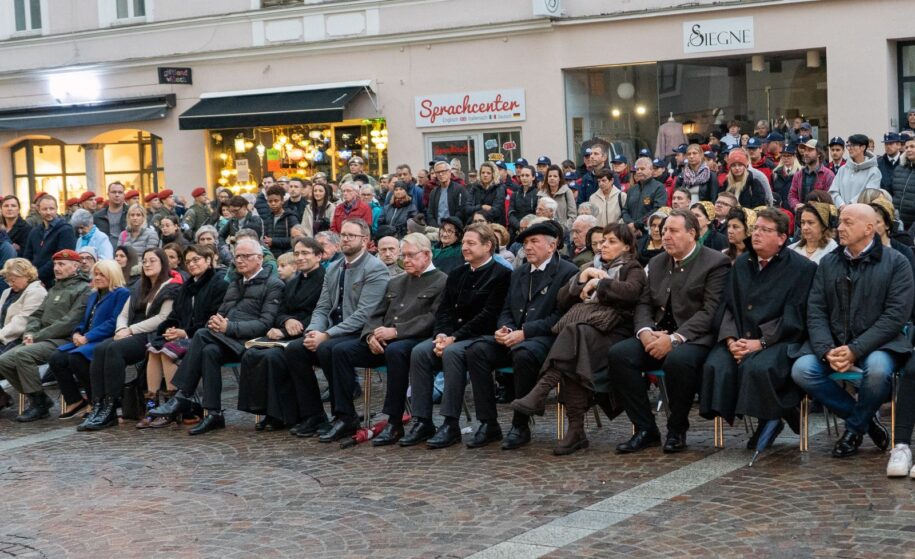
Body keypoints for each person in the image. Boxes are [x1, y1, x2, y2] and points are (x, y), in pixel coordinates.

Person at [512, 223, 646, 454]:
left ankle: (546, 398)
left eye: (611, 241)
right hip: (586, 334)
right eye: (602, 241)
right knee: (575, 347)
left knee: (574, 334)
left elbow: (631, 293)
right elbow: (562, 300)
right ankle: (574, 430)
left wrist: (599, 283)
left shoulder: (632, 267)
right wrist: (583, 278)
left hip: (614, 333)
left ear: (626, 246)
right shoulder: (590, 266)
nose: (604, 245)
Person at [792, 204, 913, 458]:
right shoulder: (829, 262)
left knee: (878, 371)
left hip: (880, 344)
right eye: (840, 222)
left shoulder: (896, 262)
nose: (840, 228)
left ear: (869, 229)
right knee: (802, 370)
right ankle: (866, 422)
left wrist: (855, 350)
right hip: (834, 343)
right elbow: (816, 310)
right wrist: (827, 350)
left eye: (848, 222)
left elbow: (895, 316)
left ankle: (854, 429)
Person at [608, 208, 730, 453]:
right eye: (664, 231)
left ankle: (677, 429)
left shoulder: (716, 262)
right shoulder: (657, 262)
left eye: (673, 231)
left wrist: (675, 339)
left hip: (695, 338)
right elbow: (644, 303)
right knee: (619, 354)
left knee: (678, 361)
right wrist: (645, 332)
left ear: (692, 234)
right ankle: (646, 429)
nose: (665, 236)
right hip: (658, 333)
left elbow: (710, 311)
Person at [700, 208, 817, 445]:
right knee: (716, 364)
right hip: (740, 337)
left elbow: (795, 315)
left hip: (779, 340)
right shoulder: (742, 264)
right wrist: (731, 340)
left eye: (765, 230)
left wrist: (761, 342)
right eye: (755, 229)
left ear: (782, 238)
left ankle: (769, 420)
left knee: (758, 367)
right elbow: (728, 306)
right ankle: (782, 413)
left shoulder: (802, 268)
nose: (757, 234)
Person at [322, 233, 448, 446]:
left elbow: (432, 318)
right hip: (384, 341)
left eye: (411, 255)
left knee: (396, 351)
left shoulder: (441, 281)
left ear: (427, 255)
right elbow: (376, 313)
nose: (405, 260)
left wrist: (396, 332)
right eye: (403, 256)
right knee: (339, 350)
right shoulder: (397, 282)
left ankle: (394, 421)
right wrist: (370, 335)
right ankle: (345, 416)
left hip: (416, 340)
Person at [149, 238, 285, 434]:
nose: (240, 260)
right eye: (237, 256)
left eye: (246, 256)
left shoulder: (274, 284)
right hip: (226, 340)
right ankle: (213, 414)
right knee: (209, 351)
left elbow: (265, 324)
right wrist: (215, 321)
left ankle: (183, 395)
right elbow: (220, 312)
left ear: (259, 258)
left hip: (251, 343)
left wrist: (228, 327)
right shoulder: (235, 283)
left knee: (202, 335)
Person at [463, 220, 579, 450]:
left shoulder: (568, 272)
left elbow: (562, 317)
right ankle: (488, 423)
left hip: (546, 341)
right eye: (525, 243)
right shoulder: (519, 272)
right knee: (477, 350)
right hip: (514, 337)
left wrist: (525, 332)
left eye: (534, 241)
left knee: (523, 353)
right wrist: (505, 328)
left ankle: (520, 424)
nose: (528, 247)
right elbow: (506, 308)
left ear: (552, 246)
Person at [401, 223, 512, 448]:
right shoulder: (457, 273)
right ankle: (422, 421)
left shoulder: (502, 274)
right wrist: (441, 334)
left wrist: (454, 338)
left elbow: (488, 315)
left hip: (482, 337)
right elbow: (444, 310)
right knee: (420, 352)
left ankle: (450, 423)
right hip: (452, 336)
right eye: (463, 243)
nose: (465, 247)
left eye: (471, 243)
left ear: (488, 246)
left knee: (452, 353)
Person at [280, 218, 389, 442]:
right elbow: (322, 306)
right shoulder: (333, 268)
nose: (345, 239)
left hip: (361, 334)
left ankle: (345, 416)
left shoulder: (375, 268)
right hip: (332, 333)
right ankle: (313, 415)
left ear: (365, 240)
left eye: (351, 235)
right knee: (295, 349)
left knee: (330, 348)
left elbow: (364, 314)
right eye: (343, 234)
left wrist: (327, 335)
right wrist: (313, 331)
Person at [78, 249, 182, 431]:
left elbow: (161, 318)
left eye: (152, 260)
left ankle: (112, 406)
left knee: (114, 350)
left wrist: (130, 330)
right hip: (129, 332)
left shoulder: (171, 286)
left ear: (163, 263)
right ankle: (99, 404)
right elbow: (124, 314)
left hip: (152, 334)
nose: (147, 264)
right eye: (145, 261)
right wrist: (121, 329)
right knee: (100, 349)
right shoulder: (139, 285)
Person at [237, 238, 325, 431]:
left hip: (310, 331)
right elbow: (280, 311)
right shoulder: (293, 282)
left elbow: (321, 311)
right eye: (297, 253)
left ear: (319, 256)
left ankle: (288, 414)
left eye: (305, 253)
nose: (300, 257)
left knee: (273, 356)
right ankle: (270, 412)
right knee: (251, 353)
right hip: (288, 332)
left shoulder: (325, 279)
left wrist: (289, 328)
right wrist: (286, 321)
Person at [139, 244, 228, 429]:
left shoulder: (219, 283)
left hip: (205, 336)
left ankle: (174, 408)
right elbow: (175, 315)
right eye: (188, 262)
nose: (192, 264)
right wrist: (168, 329)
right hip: (182, 335)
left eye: (196, 260)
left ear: (208, 260)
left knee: (167, 352)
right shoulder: (187, 286)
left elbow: (214, 318)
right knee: (154, 349)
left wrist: (185, 332)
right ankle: (152, 406)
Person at [0, 250, 90, 420]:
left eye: (61, 264)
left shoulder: (84, 289)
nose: (56, 268)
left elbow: (69, 322)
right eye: (55, 264)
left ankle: (38, 405)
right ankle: (39, 398)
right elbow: (36, 315)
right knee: (3, 361)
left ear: (75, 266)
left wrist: (37, 336)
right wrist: (30, 333)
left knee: (23, 354)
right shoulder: (55, 288)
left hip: (64, 339)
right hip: (42, 338)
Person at [49, 260, 131, 421]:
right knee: (56, 358)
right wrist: (77, 333)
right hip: (86, 339)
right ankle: (75, 400)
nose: (97, 277)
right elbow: (85, 320)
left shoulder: (122, 293)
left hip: (105, 338)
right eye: (96, 274)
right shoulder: (94, 294)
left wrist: (88, 337)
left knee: (77, 358)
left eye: (102, 274)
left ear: (113, 275)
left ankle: (95, 400)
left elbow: (114, 322)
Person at [22, 195, 77, 287]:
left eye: (51, 208)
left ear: (56, 209)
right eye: (44, 209)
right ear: (39, 210)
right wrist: (29, 276)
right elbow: (27, 257)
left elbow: (61, 258)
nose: (48, 212)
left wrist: (37, 276)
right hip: (33, 281)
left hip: (56, 282)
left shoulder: (65, 230)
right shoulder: (35, 231)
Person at [0, 258, 46, 358]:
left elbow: (22, 321)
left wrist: (1, 335)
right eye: (7, 280)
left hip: (20, 339)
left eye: (13, 280)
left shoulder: (37, 292)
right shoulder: (7, 292)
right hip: (4, 337)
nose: (10, 284)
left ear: (26, 276)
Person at [829, 134, 882, 208]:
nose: (849, 148)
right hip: (842, 212)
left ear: (863, 147)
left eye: (853, 145)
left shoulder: (874, 171)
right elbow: (833, 191)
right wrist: (841, 205)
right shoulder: (842, 169)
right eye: (848, 145)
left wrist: (850, 206)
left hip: (862, 212)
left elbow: (869, 195)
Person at [623, 157, 667, 233]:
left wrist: (636, 225)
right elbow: (625, 210)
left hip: (649, 232)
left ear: (651, 170)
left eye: (642, 169)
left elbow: (657, 210)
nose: (639, 171)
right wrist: (630, 224)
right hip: (630, 232)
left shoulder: (659, 187)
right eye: (637, 169)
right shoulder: (632, 189)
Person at [788, 140, 835, 210]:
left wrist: (808, 208)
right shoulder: (798, 175)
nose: (805, 153)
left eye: (810, 150)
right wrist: (796, 205)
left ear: (819, 154)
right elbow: (792, 195)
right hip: (801, 214)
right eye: (805, 150)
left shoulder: (828, 175)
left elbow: (829, 200)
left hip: (820, 215)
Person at [426, 161, 470, 228]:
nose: (440, 174)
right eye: (438, 172)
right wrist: (436, 227)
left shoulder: (459, 189)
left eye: (443, 171)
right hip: (437, 229)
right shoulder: (434, 192)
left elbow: (461, 211)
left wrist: (450, 226)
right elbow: (430, 213)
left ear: (449, 172)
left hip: (454, 228)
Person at [261, 185, 300, 259]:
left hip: (287, 256)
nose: (273, 204)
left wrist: (273, 241)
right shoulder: (268, 218)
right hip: (271, 256)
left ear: (282, 201)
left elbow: (296, 239)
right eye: (270, 201)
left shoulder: (290, 217)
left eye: (276, 201)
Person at [537, 165, 577, 231]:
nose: (552, 178)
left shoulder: (567, 192)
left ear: (559, 178)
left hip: (563, 231)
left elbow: (572, 216)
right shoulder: (541, 194)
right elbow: (538, 214)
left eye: (555, 176)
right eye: (550, 176)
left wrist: (563, 229)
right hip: (545, 230)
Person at [889, 135, 915, 230]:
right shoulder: (899, 169)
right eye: (906, 147)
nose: (908, 150)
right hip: (897, 220)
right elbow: (892, 192)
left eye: (912, 146)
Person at [92, 182, 127, 249]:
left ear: (124, 195)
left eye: (120, 192)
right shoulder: (97, 216)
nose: (117, 195)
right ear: (108, 194)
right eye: (114, 192)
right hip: (104, 251)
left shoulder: (131, 214)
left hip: (126, 251)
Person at [508, 165, 540, 234]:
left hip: (532, 230)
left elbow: (538, 214)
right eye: (522, 175)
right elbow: (510, 213)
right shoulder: (515, 194)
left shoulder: (538, 194)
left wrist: (526, 226)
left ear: (533, 177)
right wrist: (519, 225)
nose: (524, 178)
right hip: (515, 230)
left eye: (527, 175)